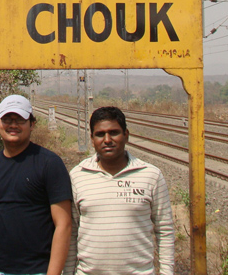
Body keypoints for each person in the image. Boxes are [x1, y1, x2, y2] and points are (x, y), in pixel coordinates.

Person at [0, 94, 73, 275]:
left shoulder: (49, 164)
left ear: (32, 124)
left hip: (36, 271)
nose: (13, 125)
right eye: (7, 119)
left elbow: (63, 224)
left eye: (20, 119)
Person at [64, 106, 174, 275]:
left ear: (126, 135)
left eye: (114, 132)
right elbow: (72, 233)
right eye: (100, 134)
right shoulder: (77, 176)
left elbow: (165, 230)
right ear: (92, 138)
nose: (107, 139)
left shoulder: (150, 175)